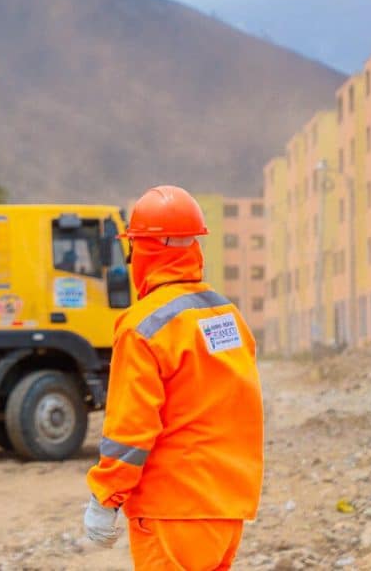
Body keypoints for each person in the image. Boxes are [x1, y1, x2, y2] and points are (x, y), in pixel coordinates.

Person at [83, 185, 264, 569]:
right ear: (194, 246)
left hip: (173, 510)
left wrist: (105, 498)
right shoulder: (227, 316)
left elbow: (130, 431)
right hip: (227, 510)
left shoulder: (143, 326)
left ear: (142, 251)